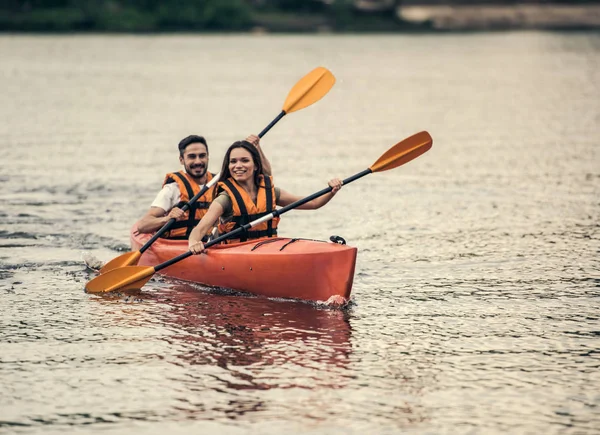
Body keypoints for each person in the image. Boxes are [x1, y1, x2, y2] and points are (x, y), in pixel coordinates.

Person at [188, 139, 342, 254]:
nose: (238, 166)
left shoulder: (271, 192)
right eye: (233, 161)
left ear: (256, 165)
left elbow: (313, 203)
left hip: (266, 250)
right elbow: (199, 230)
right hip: (234, 252)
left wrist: (331, 190)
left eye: (245, 160)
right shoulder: (225, 198)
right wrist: (194, 243)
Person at [136, 134, 272, 240]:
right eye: (191, 157)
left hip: (211, 243)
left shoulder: (220, 182)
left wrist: (256, 149)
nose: (198, 161)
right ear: (181, 160)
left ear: (208, 157)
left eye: (202, 156)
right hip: (180, 244)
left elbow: (263, 179)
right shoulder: (172, 189)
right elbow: (142, 226)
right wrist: (167, 218)